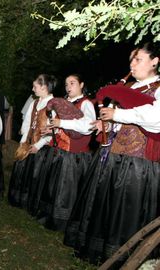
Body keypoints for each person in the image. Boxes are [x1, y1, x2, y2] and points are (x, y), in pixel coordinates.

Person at [64, 43, 160, 263]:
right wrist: (106, 124)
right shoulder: (130, 88)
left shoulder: (158, 88)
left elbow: (156, 119)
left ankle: (124, 258)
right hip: (114, 156)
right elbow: (120, 123)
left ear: (155, 62)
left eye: (138, 59)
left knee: (125, 211)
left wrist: (116, 114)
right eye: (131, 60)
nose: (132, 64)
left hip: (137, 163)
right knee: (106, 205)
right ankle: (98, 252)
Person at [34, 74, 95, 231]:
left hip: (74, 156)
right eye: (67, 84)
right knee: (53, 186)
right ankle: (48, 217)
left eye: (72, 83)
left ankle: (63, 222)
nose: (68, 87)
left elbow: (87, 126)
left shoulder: (86, 103)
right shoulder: (64, 103)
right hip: (59, 151)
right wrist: (51, 128)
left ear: (81, 84)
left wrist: (62, 122)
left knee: (66, 189)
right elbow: (59, 127)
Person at [8, 74, 55, 209]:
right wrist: (23, 142)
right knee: (22, 173)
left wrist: (38, 145)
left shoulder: (54, 105)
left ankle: (32, 204)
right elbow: (27, 122)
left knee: (35, 176)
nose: (33, 89)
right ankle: (19, 200)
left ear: (44, 87)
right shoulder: (34, 102)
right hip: (28, 143)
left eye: (35, 86)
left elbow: (54, 130)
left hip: (42, 148)